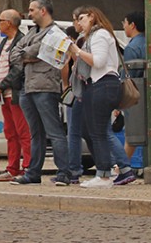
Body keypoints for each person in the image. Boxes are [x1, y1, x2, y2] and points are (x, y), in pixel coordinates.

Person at [12, 0, 74, 186]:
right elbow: (15, 54)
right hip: (28, 87)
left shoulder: (56, 33)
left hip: (46, 86)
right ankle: (33, 172)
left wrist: (29, 54)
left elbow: (40, 52)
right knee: (35, 133)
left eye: (32, 10)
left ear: (43, 11)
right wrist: (30, 55)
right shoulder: (31, 32)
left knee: (54, 131)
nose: (29, 13)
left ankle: (64, 172)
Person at [69, 7, 124, 189]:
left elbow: (99, 61)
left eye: (82, 18)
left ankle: (104, 175)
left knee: (98, 132)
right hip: (98, 84)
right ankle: (104, 172)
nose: (79, 23)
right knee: (92, 130)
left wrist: (77, 51)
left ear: (92, 17)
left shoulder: (99, 35)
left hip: (103, 83)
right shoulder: (96, 36)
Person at [0, 9, 30, 182]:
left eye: (0, 20)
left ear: (10, 23)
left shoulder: (22, 41)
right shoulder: (3, 42)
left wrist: (3, 84)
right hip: (2, 95)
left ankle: (27, 167)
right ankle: (12, 168)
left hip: (15, 93)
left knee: (23, 131)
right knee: (10, 132)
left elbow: (18, 69)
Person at [115, 10, 147, 182]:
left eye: (124, 23)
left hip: (135, 96)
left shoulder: (132, 47)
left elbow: (128, 78)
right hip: (149, 95)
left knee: (131, 136)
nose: (123, 26)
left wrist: (120, 103)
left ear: (132, 25)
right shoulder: (149, 44)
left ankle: (122, 169)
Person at [63, 15, 90, 183]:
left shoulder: (79, 43)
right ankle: (112, 165)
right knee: (92, 133)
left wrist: (65, 85)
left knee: (73, 132)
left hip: (79, 91)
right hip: (84, 91)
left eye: (77, 19)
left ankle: (73, 170)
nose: (76, 22)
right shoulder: (85, 40)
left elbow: (73, 66)